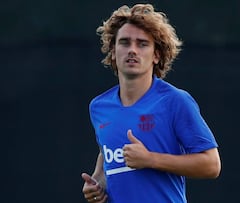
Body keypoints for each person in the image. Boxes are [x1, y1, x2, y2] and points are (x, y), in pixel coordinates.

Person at [81, 4, 221, 203]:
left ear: (156, 55)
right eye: (125, 42)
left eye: (142, 44)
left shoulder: (175, 101)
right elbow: (106, 156)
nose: (132, 50)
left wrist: (150, 159)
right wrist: (96, 185)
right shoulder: (99, 107)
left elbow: (211, 165)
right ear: (113, 51)